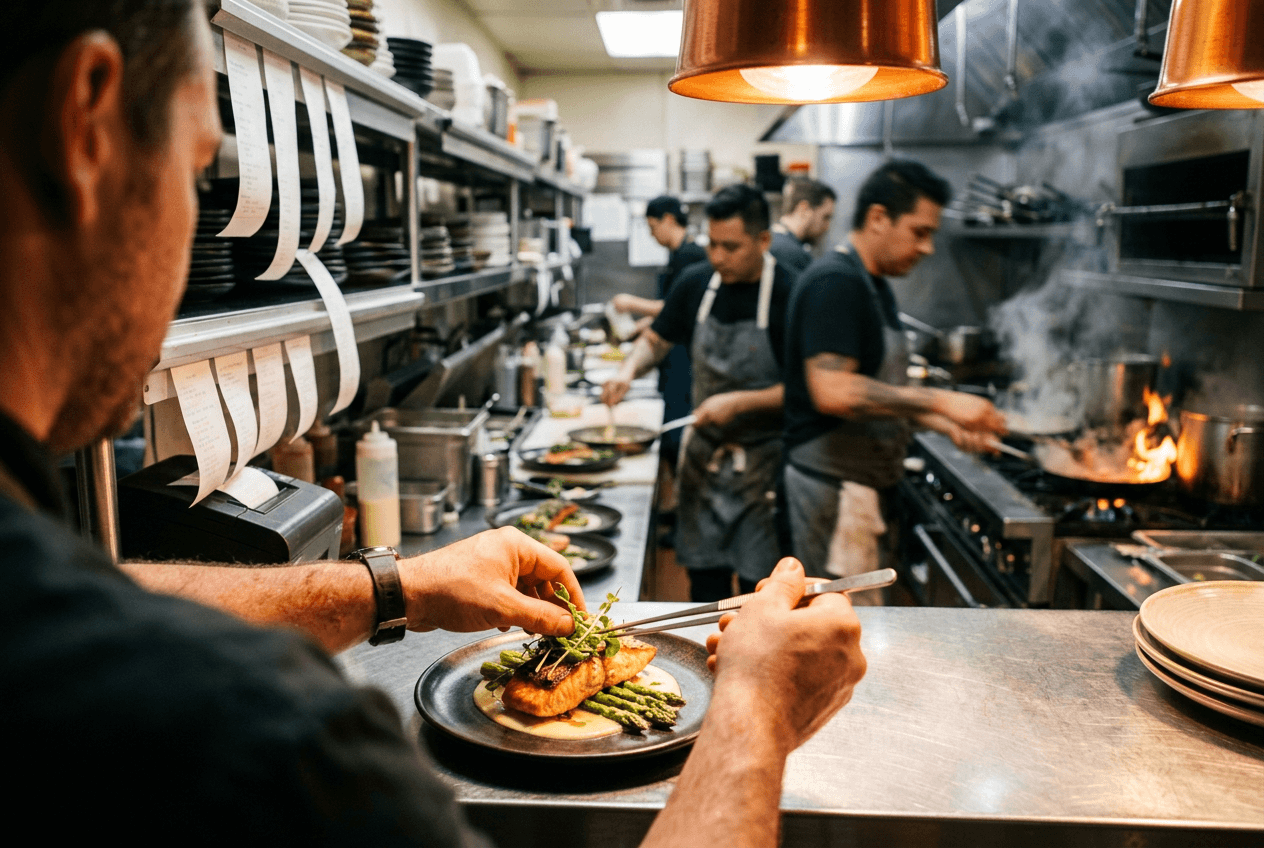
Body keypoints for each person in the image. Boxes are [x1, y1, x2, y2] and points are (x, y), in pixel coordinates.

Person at [1, 3, 867, 844]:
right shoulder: (276, 747)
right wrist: (756, 709)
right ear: (87, 124)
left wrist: (398, 587)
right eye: (198, 174)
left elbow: (109, 597)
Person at [782, 161, 1007, 585]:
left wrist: (946, 425)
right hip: (834, 489)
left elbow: (879, 395)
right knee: (838, 616)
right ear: (878, 218)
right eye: (920, 232)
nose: (928, 248)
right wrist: (942, 401)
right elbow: (833, 391)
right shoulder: (835, 282)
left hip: (857, 483)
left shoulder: (872, 284)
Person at [603, 185, 795, 602]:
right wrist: (627, 370)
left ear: (763, 240)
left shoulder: (791, 292)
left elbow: (807, 390)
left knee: (761, 593)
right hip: (703, 464)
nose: (718, 257)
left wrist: (739, 403)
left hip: (763, 470)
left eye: (731, 247)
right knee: (705, 589)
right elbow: (657, 339)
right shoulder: (696, 283)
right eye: (713, 244)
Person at [609, 195, 708, 466]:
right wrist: (640, 327)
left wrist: (631, 303)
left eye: (653, 227)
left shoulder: (690, 255)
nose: (652, 235)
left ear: (669, 219)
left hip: (684, 355)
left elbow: (675, 308)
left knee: (676, 432)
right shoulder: (677, 255)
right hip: (672, 351)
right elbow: (669, 313)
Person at [769, 177, 836, 276]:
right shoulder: (792, 255)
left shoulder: (771, 239)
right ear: (804, 209)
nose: (827, 227)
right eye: (825, 217)